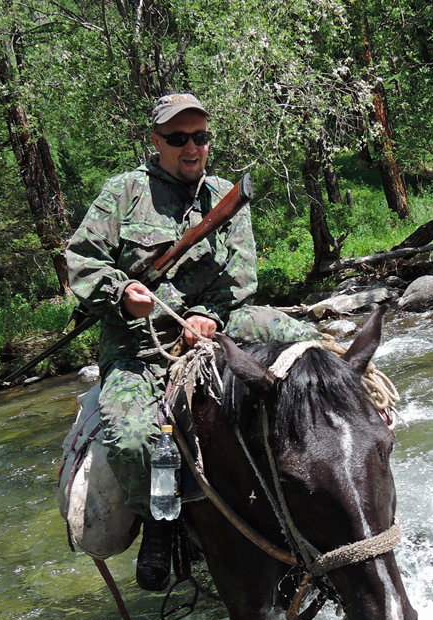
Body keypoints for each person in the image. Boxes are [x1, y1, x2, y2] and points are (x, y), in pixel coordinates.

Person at [64, 93, 314, 591]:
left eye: (199, 136)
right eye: (178, 139)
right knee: (133, 436)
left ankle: (331, 469)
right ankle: (161, 523)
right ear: (156, 142)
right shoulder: (123, 194)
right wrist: (121, 293)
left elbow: (240, 275)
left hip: (219, 320)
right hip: (140, 340)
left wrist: (206, 314)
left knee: (310, 347)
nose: (191, 147)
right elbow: (81, 261)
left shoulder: (226, 195)